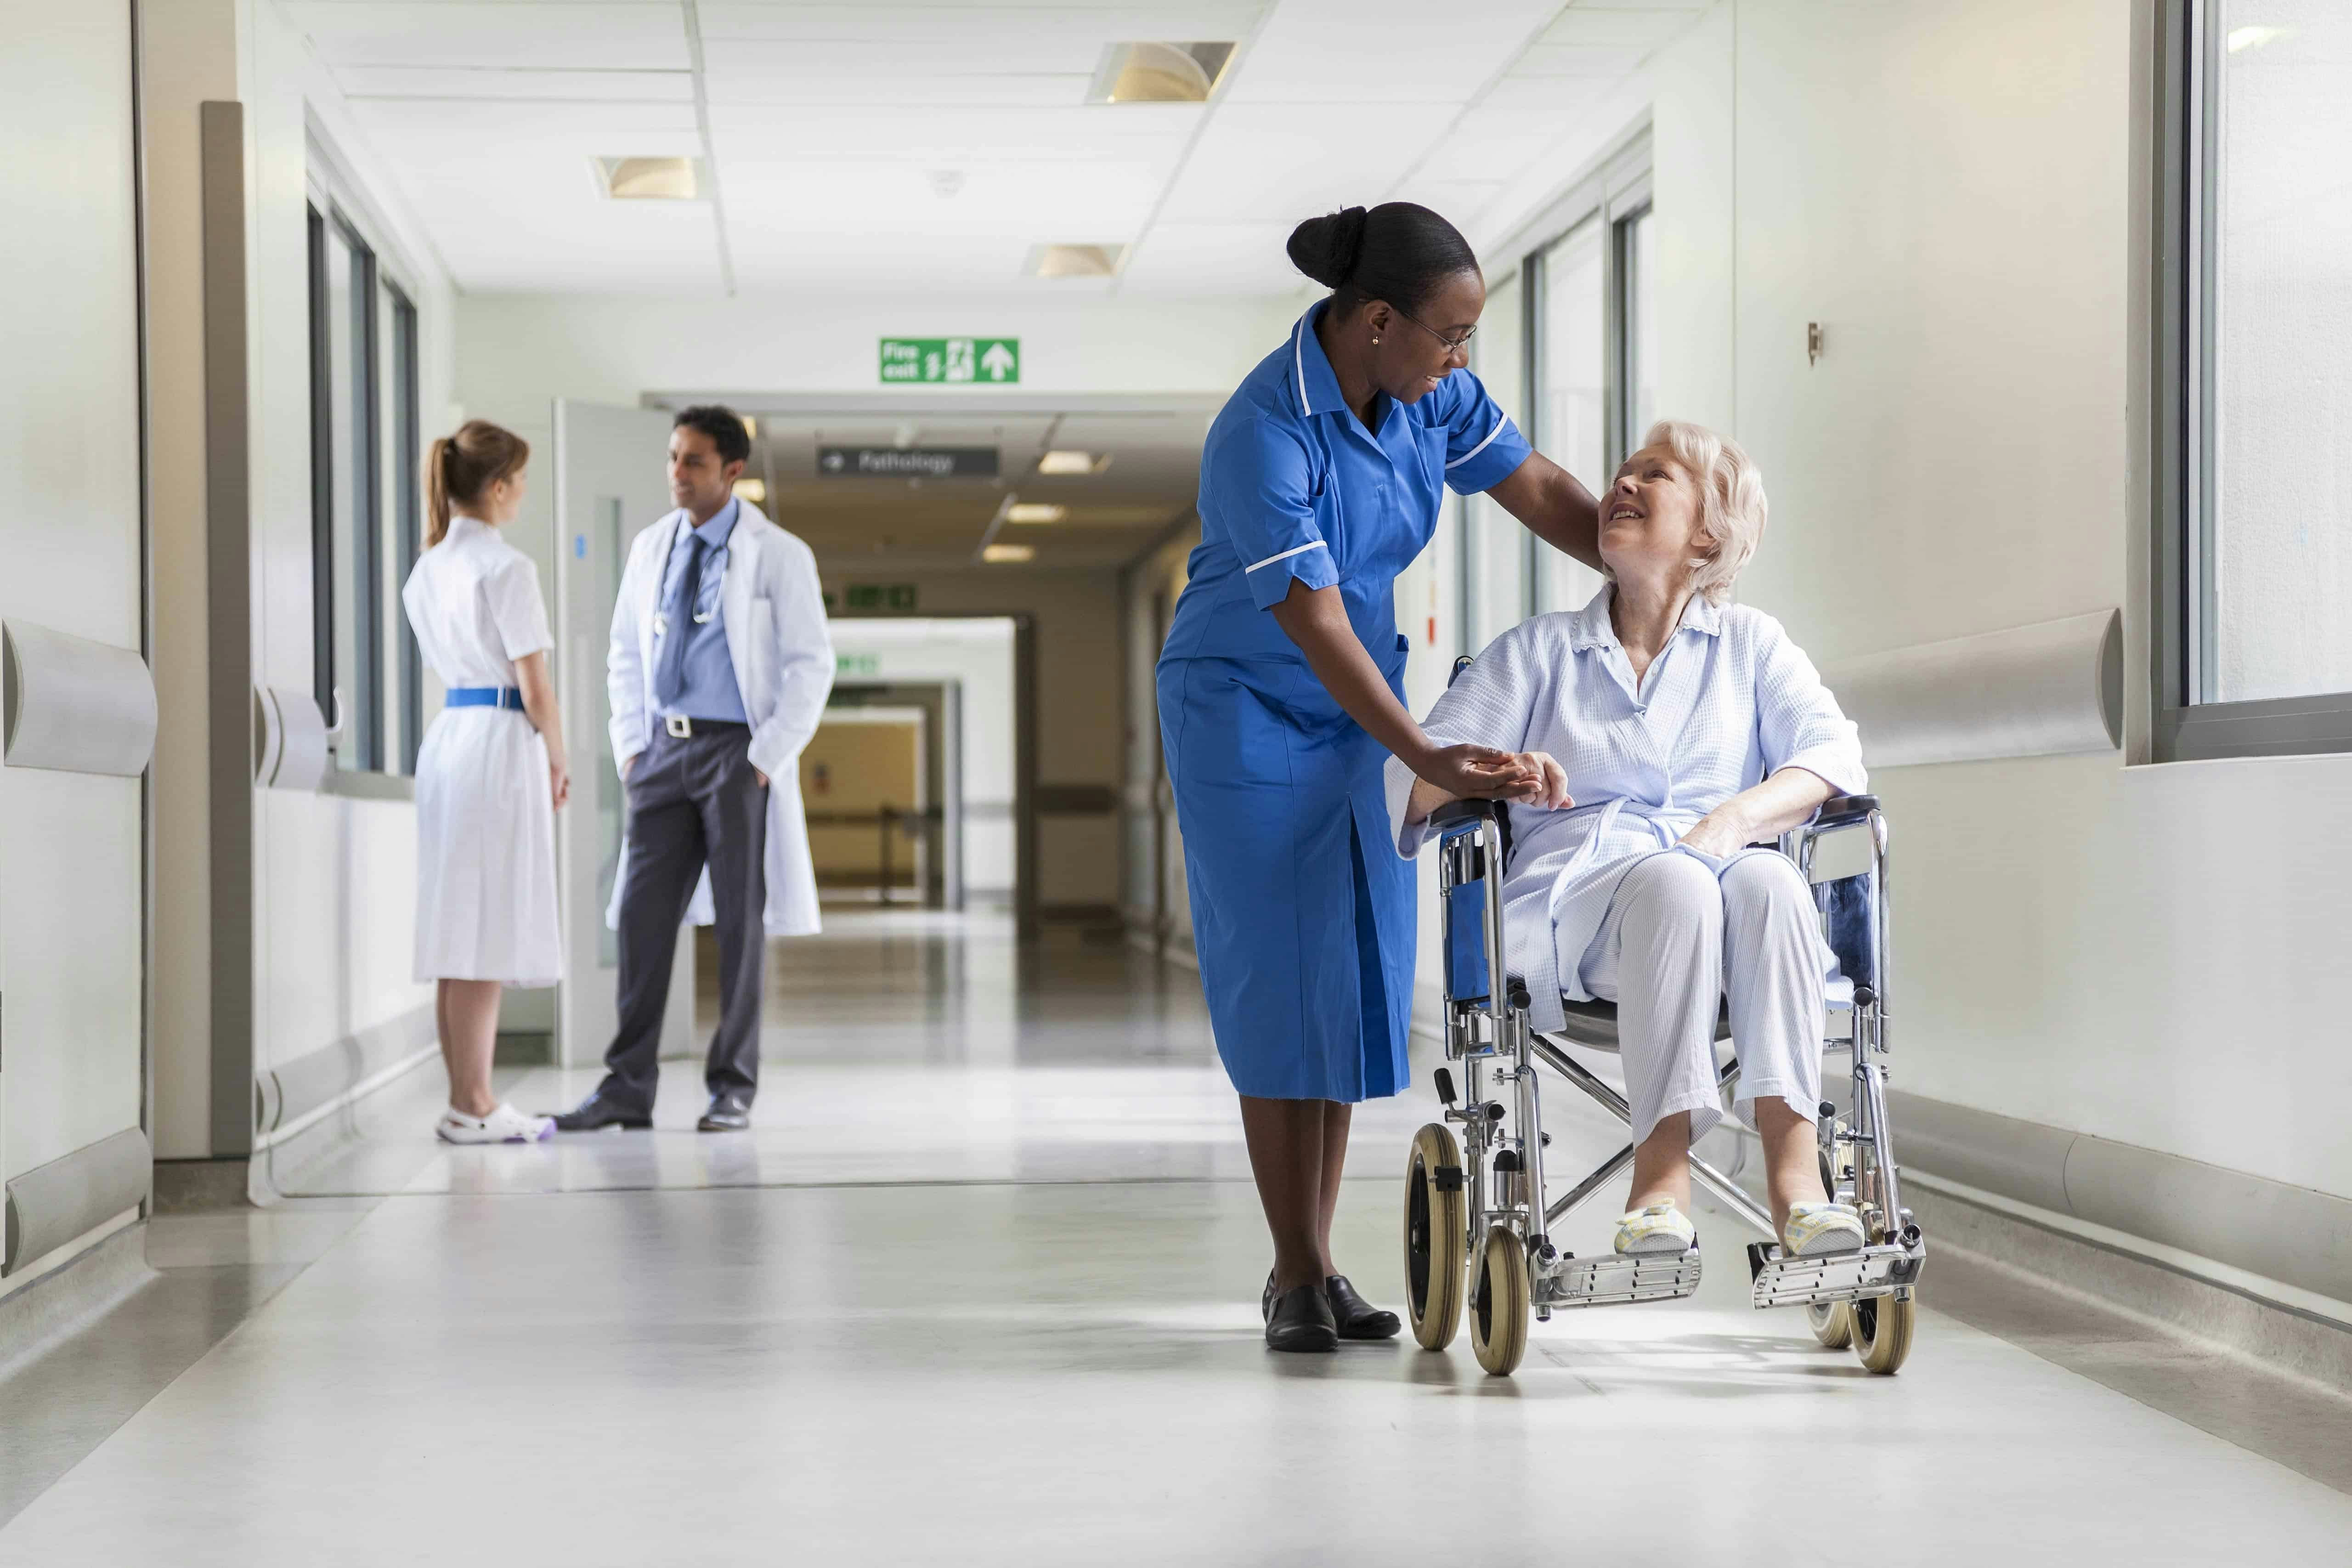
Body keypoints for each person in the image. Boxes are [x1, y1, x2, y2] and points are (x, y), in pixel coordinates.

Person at [1156, 203, 1611, 1353]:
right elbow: (1308, 618)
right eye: (1450, 335)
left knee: (1342, 972)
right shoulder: (1263, 429)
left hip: (1356, 705)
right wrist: (1421, 750)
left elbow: (1536, 484)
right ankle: (1294, 1273)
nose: (1463, 359)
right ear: (1374, 323)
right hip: (1245, 708)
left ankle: (1314, 1268)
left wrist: (1648, 559)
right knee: (1276, 972)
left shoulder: (1427, 397)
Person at [1390, 420, 1870, 1261]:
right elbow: (1416, 781)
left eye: (1656, 476)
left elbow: (1833, 760)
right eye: (1622, 473)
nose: (1623, 485)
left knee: (1770, 883)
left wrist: (1731, 823)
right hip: (1583, 920)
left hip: (1732, 912)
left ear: (1709, 534)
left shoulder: (1752, 646)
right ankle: (1661, 1178)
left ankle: (1798, 1179)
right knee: (1678, 884)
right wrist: (1493, 773)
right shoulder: (1539, 653)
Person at [551, 406, 833, 1135]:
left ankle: (732, 1085)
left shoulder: (780, 553)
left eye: (695, 462)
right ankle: (626, 1085)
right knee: (643, 918)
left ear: (733, 471)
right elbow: (623, 653)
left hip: (738, 753)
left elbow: (811, 665)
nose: (678, 474)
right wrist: (630, 750)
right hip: (662, 753)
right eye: (674, 457)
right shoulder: (652, 546)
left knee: (741, 923)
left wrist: (766, 757)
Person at [401, 419, 566, 1145]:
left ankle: (467, 1096)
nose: (523, 492)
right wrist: (559, 756)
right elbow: (536, 685)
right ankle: (474, 1101)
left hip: (450, 740)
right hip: (500, 741)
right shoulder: (507, 568)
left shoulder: (427, 567)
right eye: (521, 479)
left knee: (457, 922)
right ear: (497, 487)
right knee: (486, 923)